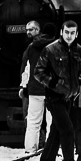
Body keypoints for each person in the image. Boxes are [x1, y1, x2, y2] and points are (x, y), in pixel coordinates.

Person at [34, 20, 81, 161]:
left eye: (72, 33)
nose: (69, 36)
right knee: (67, 129)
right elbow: (38, 72)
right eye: (67, 32)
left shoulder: (78, 50)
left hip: (70, 96)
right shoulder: (50, 50)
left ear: (76, 34)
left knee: (57, 130)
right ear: (62, 32)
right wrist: (52, 82)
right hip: (54, 96)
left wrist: (78, 84)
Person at [21, 22, 56, 152]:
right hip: (52, 89)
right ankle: (51, 148)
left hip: (35, 88)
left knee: (33, 121)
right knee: (52, 120)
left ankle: (30, 148)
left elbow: (27, 68)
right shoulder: (57, 47)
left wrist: (24, 86)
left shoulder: (31, 47)